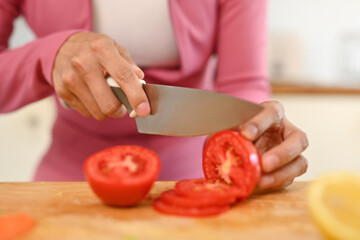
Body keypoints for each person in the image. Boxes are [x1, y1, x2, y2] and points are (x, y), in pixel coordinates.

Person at [0, 0, 308, 191]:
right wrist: (47, 57)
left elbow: (244, 81)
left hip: (196, 181)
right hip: (68, 181)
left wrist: (253, 137)